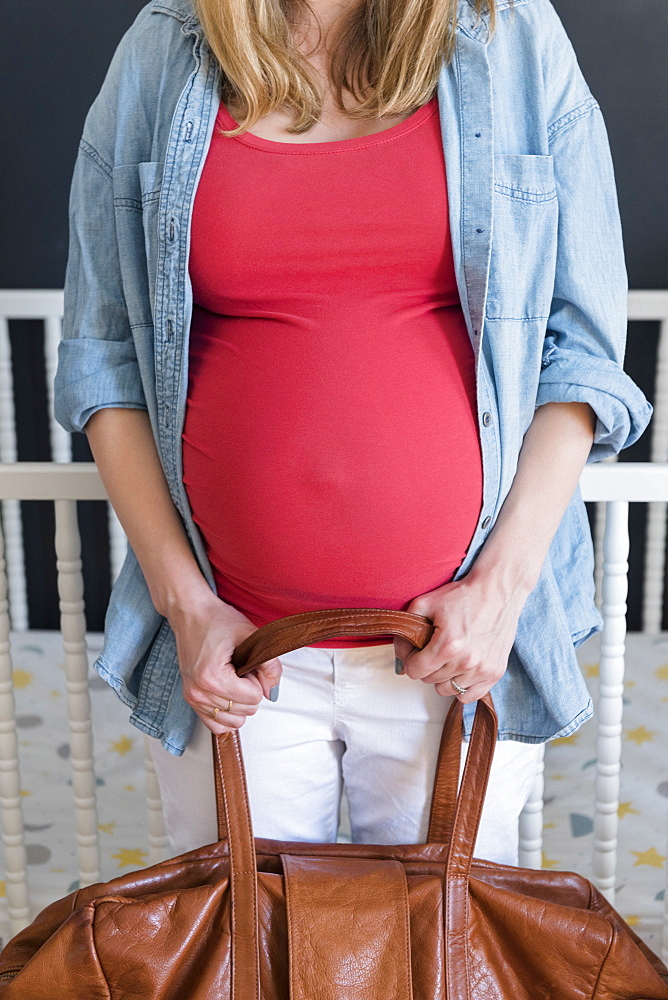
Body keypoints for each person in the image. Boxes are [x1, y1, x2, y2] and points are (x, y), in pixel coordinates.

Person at [54, 0, 652, 865]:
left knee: (440, 968)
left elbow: (584, 354)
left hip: (453, 653)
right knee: (244, 966)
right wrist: (187, 608)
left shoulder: (511, 35)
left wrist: (500, 594)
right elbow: (102, 360)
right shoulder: (166, 49)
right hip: (240, 660)